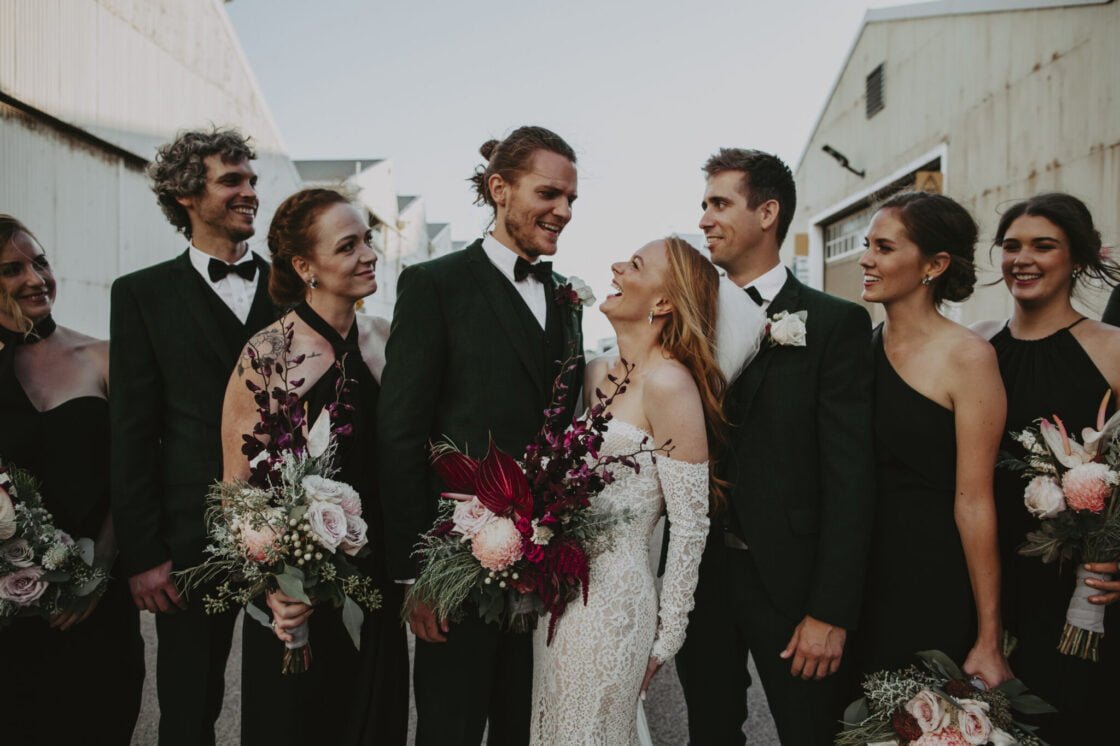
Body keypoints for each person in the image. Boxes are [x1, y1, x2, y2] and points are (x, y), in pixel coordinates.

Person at [378, 125, 584, 745]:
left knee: (527, 730)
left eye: (571, 199)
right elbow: (400, 433)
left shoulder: (567, 298)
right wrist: (416, 575)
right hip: (456, 568)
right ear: (500, 189)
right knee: (451, 729)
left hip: (545, 569)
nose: (563, 211)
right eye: (548, 194)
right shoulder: (434, 285)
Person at [675, 148, 876, 745]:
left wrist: (831, 610)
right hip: (700, 576)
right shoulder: (683, 323)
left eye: (719, 203)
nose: (705, 219)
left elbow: (850, 477)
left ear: (767, 213)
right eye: (704, 204)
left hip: (793, 580)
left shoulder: (835, 323)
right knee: (709, 733)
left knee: (810, 732)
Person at [530, 236, 762, 744]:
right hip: (560, 595)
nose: (616, 266)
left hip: (614, 604)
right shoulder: (595, 373)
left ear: (663, 302)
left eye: (634, 265)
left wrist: (667, 636)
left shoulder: (670, 385)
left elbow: (690, 524)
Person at [220, 188, 407, 745]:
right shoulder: (267, 354)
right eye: (348, 246)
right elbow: (236, 488)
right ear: (306, 267)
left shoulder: (387, 340)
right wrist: (273, 583)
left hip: (376, 578)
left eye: (367, 240)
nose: (369, 255)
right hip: (300, 584)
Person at [110, 128, 275, 745]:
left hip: (295, 525)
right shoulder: (141, 294)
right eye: (232, 181)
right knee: (187, 705)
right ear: (185, 195)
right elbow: (132, 431)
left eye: (252, 180)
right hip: (189, 538)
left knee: (287, 696)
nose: (249, 192)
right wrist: (143, 553)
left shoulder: (294, 288)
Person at [973, 192, 1120, 742]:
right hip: (983, 572)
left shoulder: (1112, 348)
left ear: (1077, 258)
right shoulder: (977, 344)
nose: (1023, 259)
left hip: (1077, 587)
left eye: (1043, 246)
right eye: (1011, 246)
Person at [852, 192, 1013, 686]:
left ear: (934, 265)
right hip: (858, 578)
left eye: (884, 247)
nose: (865, 259)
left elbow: (976, 502)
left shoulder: (968, 357)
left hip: (930, 578)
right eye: (867, 245)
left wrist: (989, 636)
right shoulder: (860, 349)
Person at [0, 216, 143, 744]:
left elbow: (135, 470)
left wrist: (96, 572)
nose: (36, 279)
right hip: (7, 613)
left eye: (40, 262)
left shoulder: (103, 357)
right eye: (12, 269)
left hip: (95, 602)